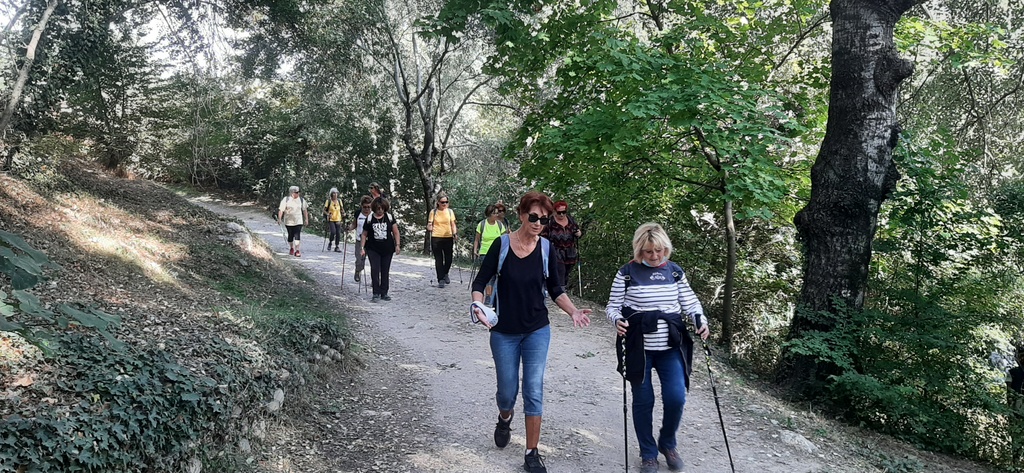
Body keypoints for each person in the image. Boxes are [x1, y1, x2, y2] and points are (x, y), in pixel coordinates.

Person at [470, 190, 592, 473]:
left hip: (537, 329)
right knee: (507, 393)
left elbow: (556, 289)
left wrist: (573, 310)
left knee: (533, 390)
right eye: (534, 217)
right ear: (522, 215)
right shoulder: (501, 245)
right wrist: (478, 306)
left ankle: (531, 453)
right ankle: (504, 418)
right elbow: (480, 281)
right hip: (503, 331)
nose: (539, 223)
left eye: (544, 219)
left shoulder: (547, 250)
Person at [606, 222, 709, 473]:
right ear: (639, 249)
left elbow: (690, 301)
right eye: (649, 251)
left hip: (670, 347)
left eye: (660, 250)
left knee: (676, 397)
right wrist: (617, 320)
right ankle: (648, 453)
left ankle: (668, 443)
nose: (655, 256)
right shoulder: (627, 273)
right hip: (639, 347)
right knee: (644, 400)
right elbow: (612, 306)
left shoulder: (674, 272)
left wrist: (700, 319)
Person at [360, 197, 400, 302]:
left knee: (385, 270)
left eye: (382, 208)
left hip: (387, 249)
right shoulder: (369, 219)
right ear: (374, 208)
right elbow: (364, 234)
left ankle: (384, 292)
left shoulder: (389, 218)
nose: (380, 210)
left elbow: (396, 232)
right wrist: (362, 248)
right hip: (373, 248)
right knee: (375, 270)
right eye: (378, 208)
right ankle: (376, 293)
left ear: (385, 208)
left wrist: (397, 245)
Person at [541, 201, 582, 288]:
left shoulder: (571, 220)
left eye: (564, 212)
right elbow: (543, 236)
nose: (562, 215)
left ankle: (561, 288)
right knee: (560, 269)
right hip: (556, 249)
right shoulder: (550, 222)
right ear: (555, 212)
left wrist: (578, 233)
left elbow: (577, 230)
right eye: (559, 213)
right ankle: (560, 291)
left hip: (570, 251)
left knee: (567, 271)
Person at [473, 204, 508, 305]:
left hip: (498, 253)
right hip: (484, 253)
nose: (497, 215)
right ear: (489, 214)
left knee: (498, 275)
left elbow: (504, 240)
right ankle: (488, 297)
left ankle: (496, 295)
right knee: (489, 276)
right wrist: (475, 250)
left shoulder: (500, 225)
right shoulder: (482, 224)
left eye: (497, 213)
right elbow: (477, 239)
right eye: (494, 213)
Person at [428, 193, 457, 288]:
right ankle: (440, 279)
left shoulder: (450, 212)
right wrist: (429, 227)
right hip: (436, 237)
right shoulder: (433, 212)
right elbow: (430, 223)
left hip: (448, 237)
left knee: (449, 258)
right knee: (438, 259)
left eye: (446, 202)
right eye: (442, 202)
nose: (444, 204)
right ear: (438, 203)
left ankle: (445, 273)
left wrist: (455, 233)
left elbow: (453, 224)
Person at [277, 186, 310, 257]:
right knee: (290, 236)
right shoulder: (286, 200)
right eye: (296, 192)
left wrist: (306, 219)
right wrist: (279, 219)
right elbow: (281, 210)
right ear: (292, 193)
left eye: (298, 192)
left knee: (297, 235)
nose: (298, 194)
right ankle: (292, 248)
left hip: (298, 221)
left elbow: (305, 210)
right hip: (289, 221)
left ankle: (297, 250)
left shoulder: (301, 200)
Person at [349, 195, 373, 282]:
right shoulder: (358, 213)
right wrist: (349, 228)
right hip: (359, 240)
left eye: (369, 207)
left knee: (374, 262)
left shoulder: (374, 214)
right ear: (361, 206)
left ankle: (375, 280)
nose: (367, 209)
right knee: (359, 259)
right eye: (364, 207)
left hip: (371, 241)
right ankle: (357, 271)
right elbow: (354, 224)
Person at [1008, 347, 1024, 467]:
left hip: (1017, 404)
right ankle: (1016, 462)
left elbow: (1009, 392)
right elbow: (1009, 392)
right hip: (1017, 405)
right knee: (1016, 435)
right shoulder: (1012, 372)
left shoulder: (1012, 372)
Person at [323, 188, 345, 252]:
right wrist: (327, 214)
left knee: (338, 233)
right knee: (333, 232)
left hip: (338, 218)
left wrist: (343, 213)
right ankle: (330, 242)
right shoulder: (328, 201)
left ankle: (337, 246)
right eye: (334, 193)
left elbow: (342, 209)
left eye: (336, 193)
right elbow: (324, 210)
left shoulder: (339, 201)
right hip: (331, 219)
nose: (335, 194)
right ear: (331, 194)